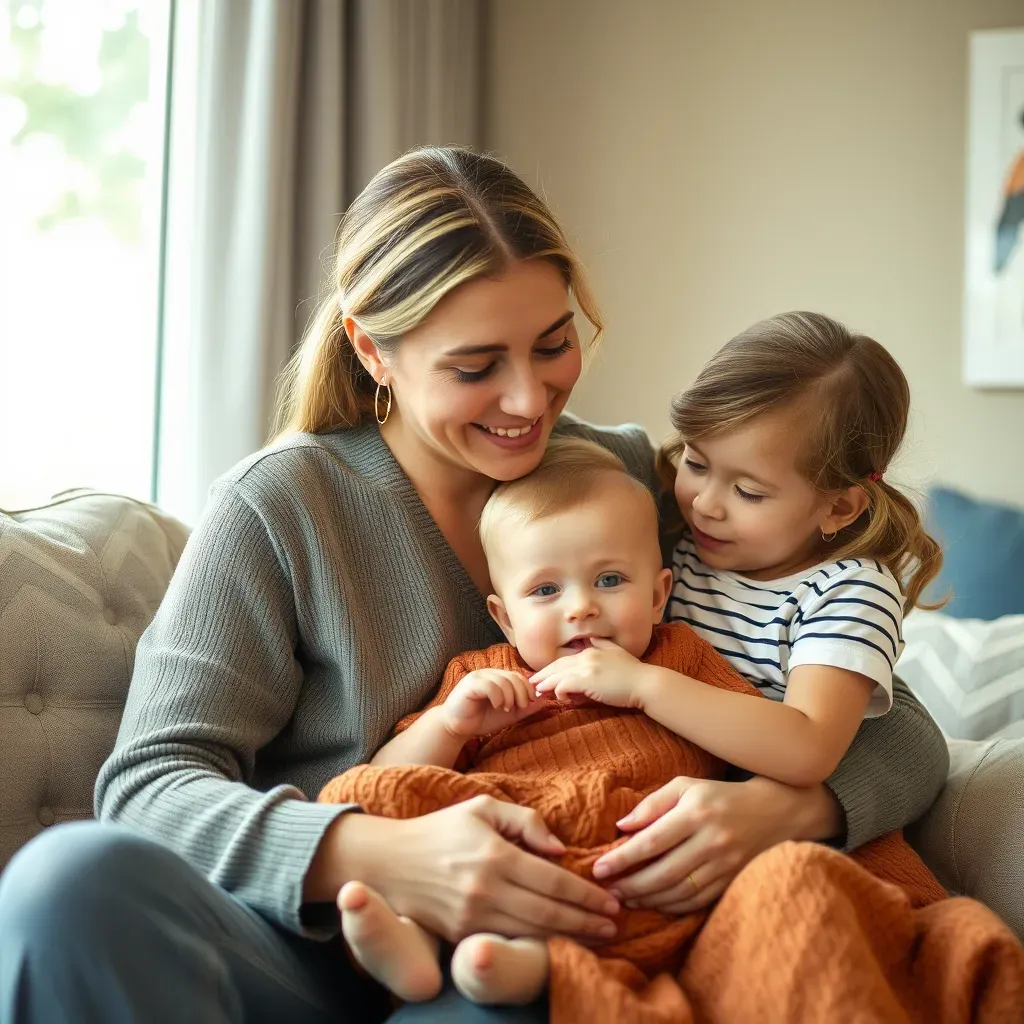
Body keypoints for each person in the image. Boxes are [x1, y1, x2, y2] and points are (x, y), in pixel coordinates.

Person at [0, 148, 950, 1024]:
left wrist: (785, 810)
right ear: (374, 352)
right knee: (64, 883)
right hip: (319, 943)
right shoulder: (282, 507)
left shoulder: (624, 480)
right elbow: (147, 787)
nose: (529, 399)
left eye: (551, 344)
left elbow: (895, 726)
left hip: (540, 948)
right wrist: (380, 856)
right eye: (475, 366)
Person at [323, 438, 760, 1005]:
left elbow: (765, 737)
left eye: (609, 580)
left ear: (658, 597)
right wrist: (452, 726)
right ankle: (415, 940)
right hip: (506, 845)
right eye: (545, 590)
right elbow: (393, 782)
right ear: (504, 618)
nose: (579, 607)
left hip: (629, 846)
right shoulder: (483, 675)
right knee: (356, 789)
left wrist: (652, 690)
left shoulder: (679, 658)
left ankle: (532, 967)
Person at [533, 312, 942, 791]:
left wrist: (645, 686)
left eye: (748, 492)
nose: (705, 505)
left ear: (838, 506)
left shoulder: (849, 591)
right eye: (696, 462)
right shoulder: (675, 543)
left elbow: (808, 747)